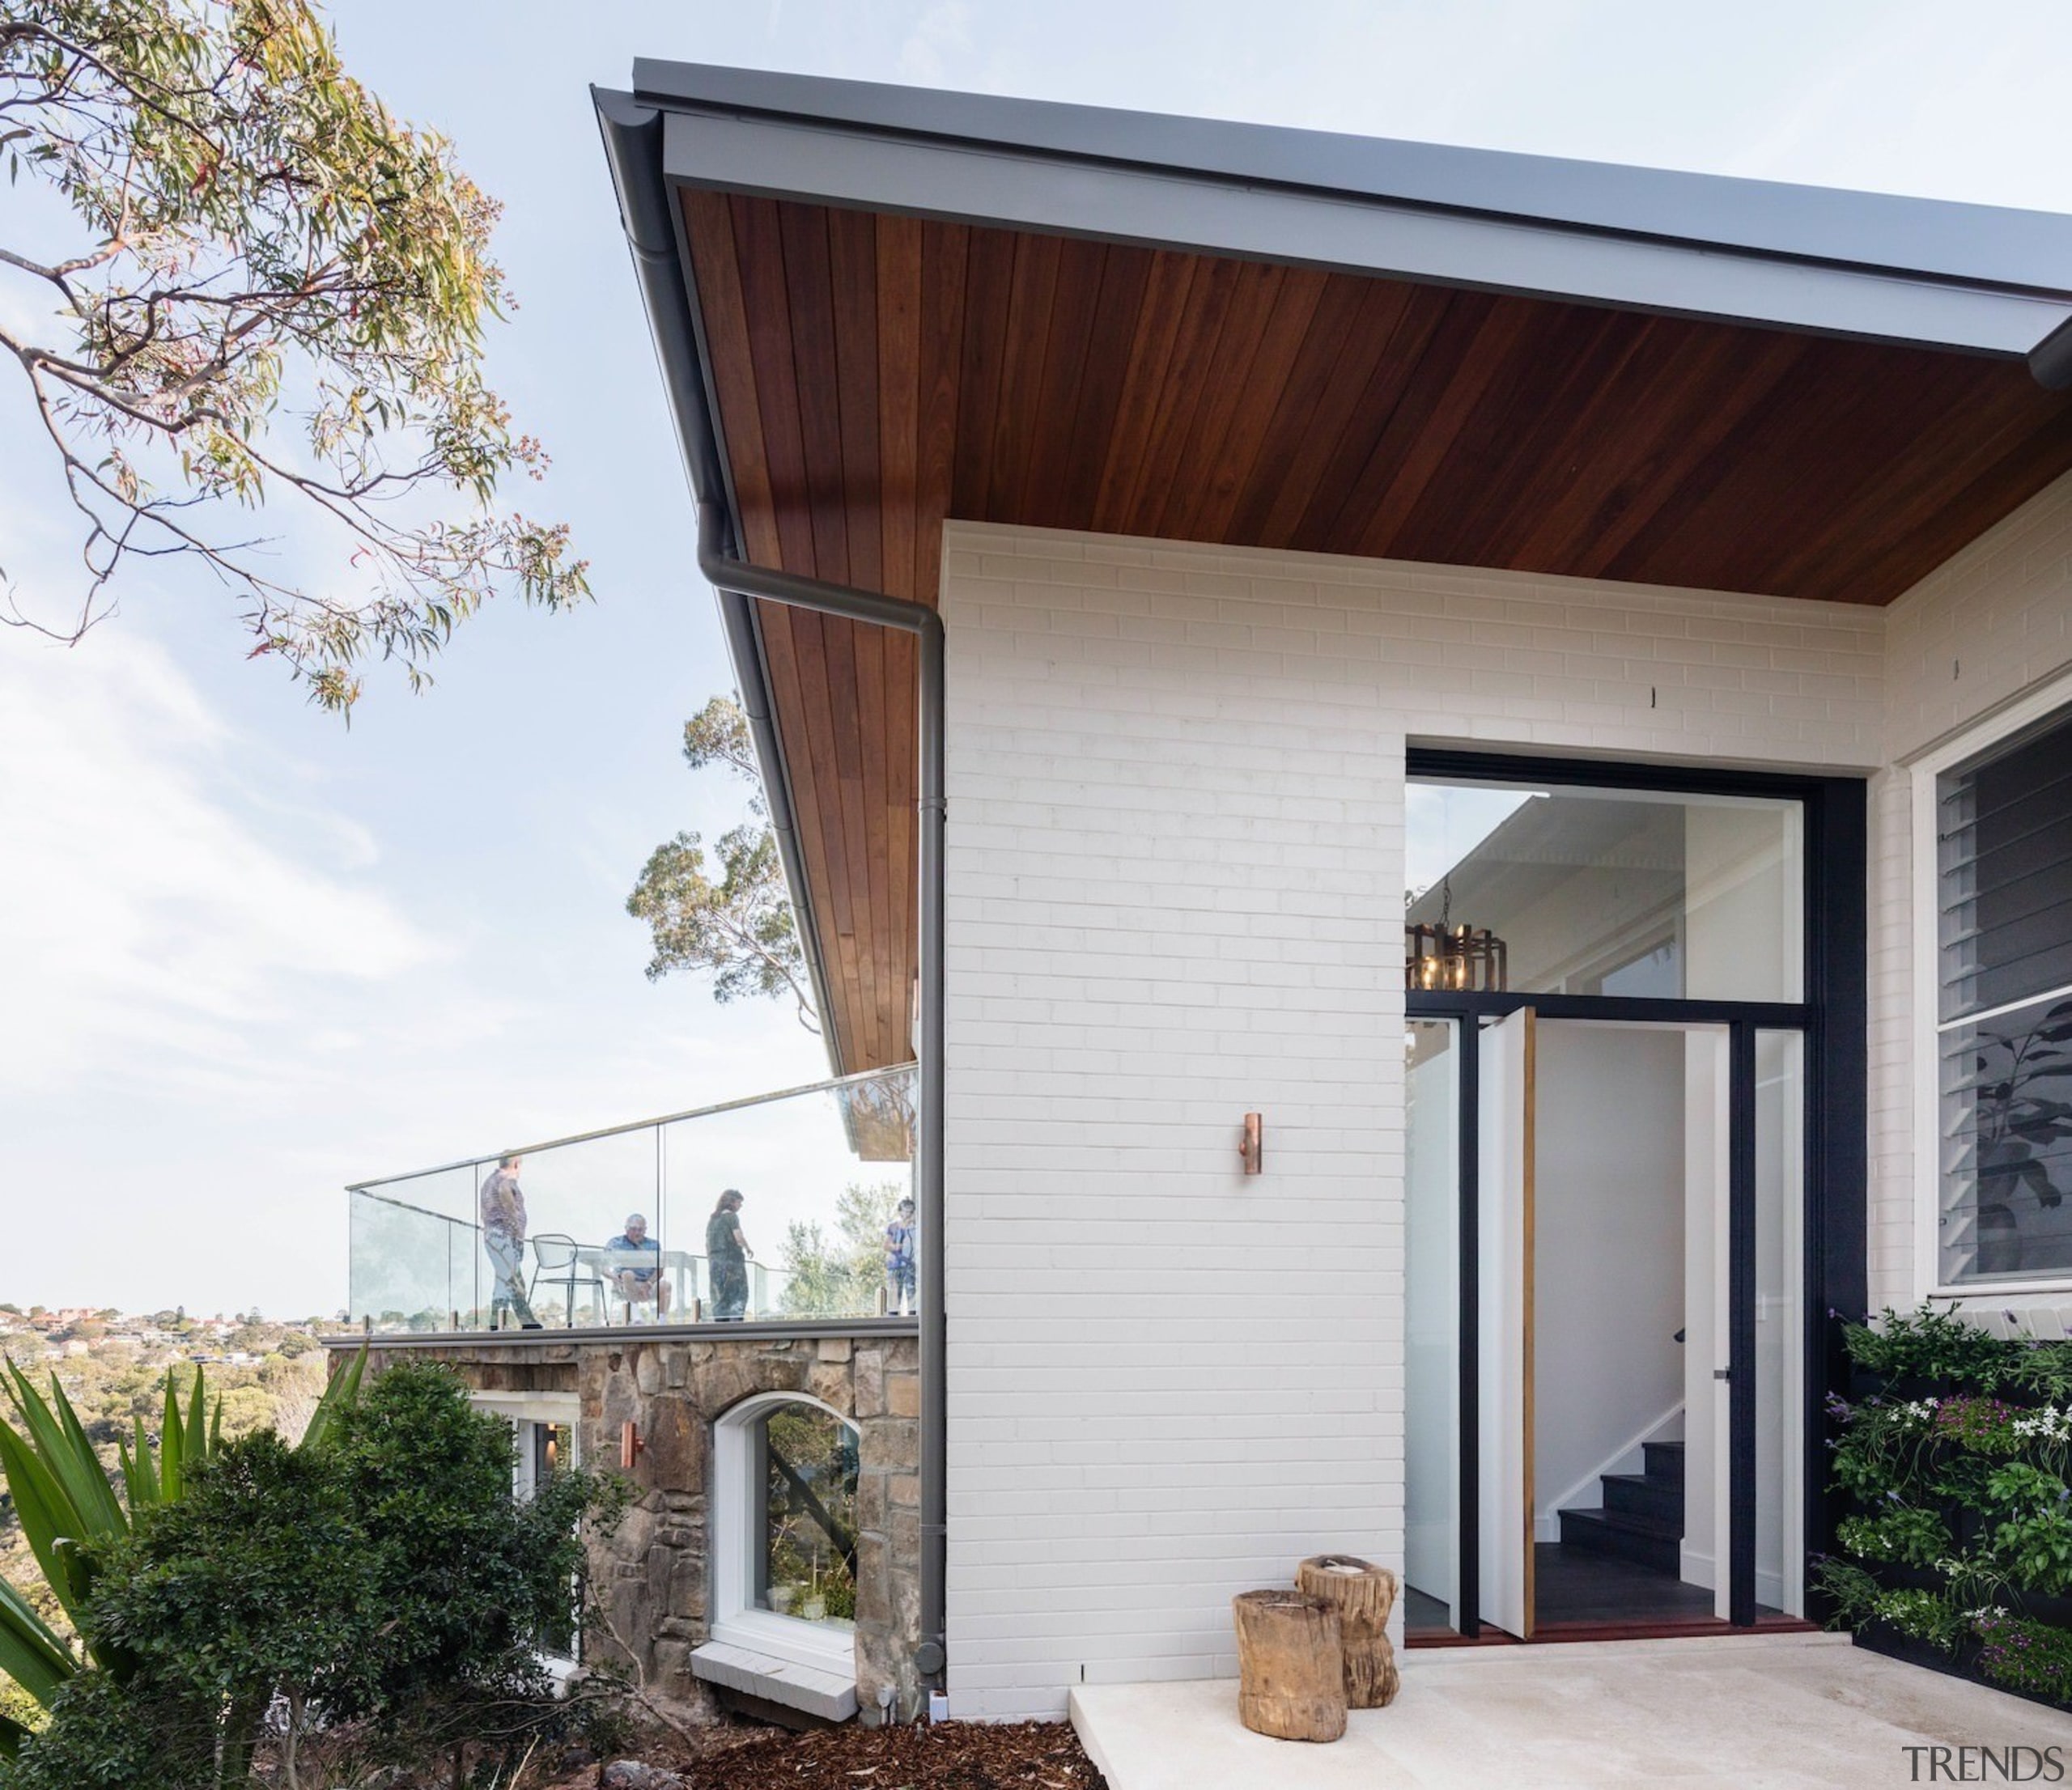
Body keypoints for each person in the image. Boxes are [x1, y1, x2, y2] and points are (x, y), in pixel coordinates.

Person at [479, 1153, 541, 1329]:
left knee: (507, 1279)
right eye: (520, 1166)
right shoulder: (505, 1179)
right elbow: (505, 1192)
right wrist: (515, 1226)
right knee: (513, 1279)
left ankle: (507, 1322)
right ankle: (519, 1322)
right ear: (515, 1164)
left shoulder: (489, 1181)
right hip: (504, 1236)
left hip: (493, 1236)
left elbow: (483, 1214)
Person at [607, 1212, 670, 1322]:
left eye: (640, 1230)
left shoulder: (654, 1244)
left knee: (666, 1285)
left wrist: (649, 1284)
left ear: (645, 1230)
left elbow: (660, 1269)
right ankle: (637, 1318)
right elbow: (602, 1266)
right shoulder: (615, 1243)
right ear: (626, 1229)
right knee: (628, 1274)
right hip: (624, 1284)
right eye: (633, 1229)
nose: (637, 1233)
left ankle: (662, 1321)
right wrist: (613, 1277)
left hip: (648, 1284)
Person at [705, 1189, 752, 1321]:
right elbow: (738, 1237)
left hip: (715, 1263)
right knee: (737, 1294)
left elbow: (707, 1244)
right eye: (739, 1202)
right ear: (732, 1202)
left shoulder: (713, 1220)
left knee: (719, 1296)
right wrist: (748, 1248)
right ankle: (735, 1327)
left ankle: (721, 1327)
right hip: (732, 1261)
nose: (740, 1206)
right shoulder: (731, 1217)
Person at [885, 1197, 917, 1316]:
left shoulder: (916, 1229)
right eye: (905, 1211)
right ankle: (892, 1317)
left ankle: (913, 1316)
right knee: (894, 1293)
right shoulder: (893, 1227)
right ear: (900, 1212)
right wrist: (896, 1247)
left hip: (910, 1264)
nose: (907, 1214)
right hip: (895, 1265)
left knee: (911, 1292)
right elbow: (886, 1245)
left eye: (910, 1211)